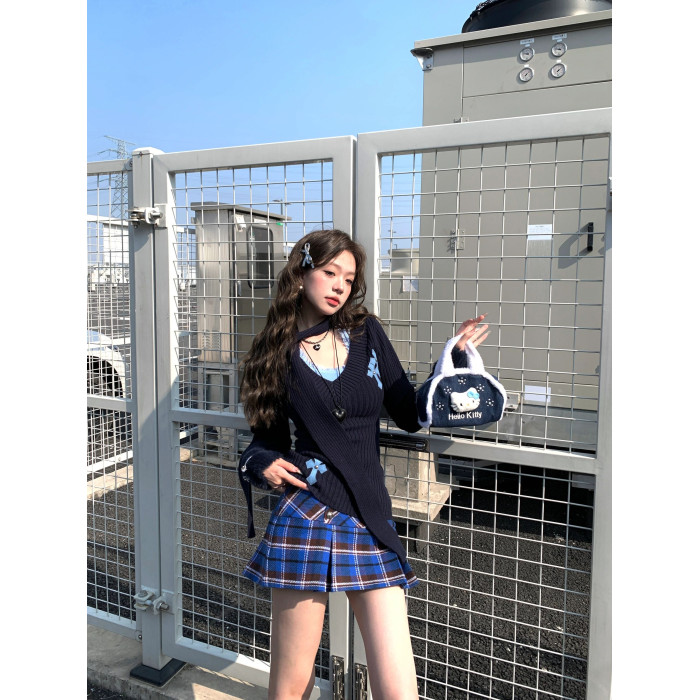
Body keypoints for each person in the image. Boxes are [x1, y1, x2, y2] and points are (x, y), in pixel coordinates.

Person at [238, 229, 488, 700]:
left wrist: (452, 361)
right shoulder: (272, 353)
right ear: (301, 273)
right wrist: (261, 463)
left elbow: (409, 411)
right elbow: (264, 440)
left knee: (398, 689)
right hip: (305, 513)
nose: (340, 285)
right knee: (290, 685)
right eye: (330, 272)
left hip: (367, 513)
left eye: (349, 278)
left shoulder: (366, 333)